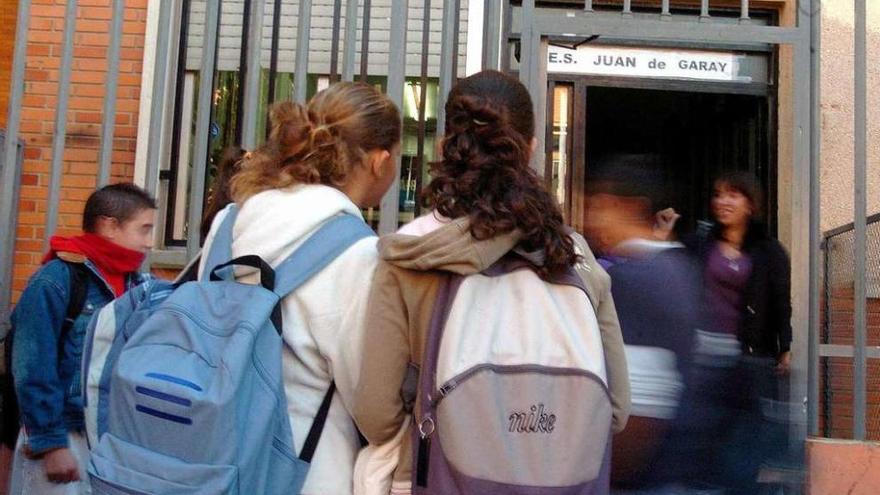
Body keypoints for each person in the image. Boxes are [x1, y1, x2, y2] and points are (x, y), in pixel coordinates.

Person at [352, 70, 630, 494]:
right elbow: (615, 409)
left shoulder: (409, 255)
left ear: (446, 147)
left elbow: (375, 412)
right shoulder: (574, 255)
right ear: (532, 149)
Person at [198, 82, 401, 494]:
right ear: (380, 162)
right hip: (304, 472)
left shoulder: (230, 223)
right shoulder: (357, 253)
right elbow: (370, 404)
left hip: (211, 460)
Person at [8, 183, 157, 495]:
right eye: (144, 229)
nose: (151, 242)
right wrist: (50, 444)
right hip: (65, 436)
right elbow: (31, 365)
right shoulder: (56, 280)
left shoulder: (140, 285)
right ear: (109, 226)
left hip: (113, 437)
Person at [583, 155, 700, 491]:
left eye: (602, 206)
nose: (594, 219)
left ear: (632, 207)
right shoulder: (679, 268)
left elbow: (635, 410)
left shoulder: (632, 280)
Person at [682, 171, 792, 493]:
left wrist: (785, 346)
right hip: (703, 354)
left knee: (744, 435)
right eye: (718, 194)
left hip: (748, 356)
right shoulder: (701, 243)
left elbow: (781, 303)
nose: (723, 202)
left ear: (750, 204)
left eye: (733, 195)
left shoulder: (769, 251)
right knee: (704, 430)